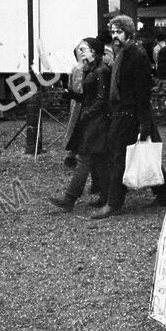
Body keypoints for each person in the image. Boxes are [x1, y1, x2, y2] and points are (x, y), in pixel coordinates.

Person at [92, 15, 163, 219]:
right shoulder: (123, 52)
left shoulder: (136, 55)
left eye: (119, 32)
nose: (115, 36)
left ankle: (114, 203)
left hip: (131, 113)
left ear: (129, 33)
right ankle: (164, 191)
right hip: (123, 111)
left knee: (119, 156)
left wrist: (144, 123)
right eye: (113, 32)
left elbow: (143, 91)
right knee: (140, 152)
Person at [49, 38, 111, 212]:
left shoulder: (101, 70)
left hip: (97, 122)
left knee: (85, 158)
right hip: (92, 120)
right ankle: (105, 197)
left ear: (95, 51)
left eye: (85, 49)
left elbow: (102, 99)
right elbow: (90, 98)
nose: (82, 52)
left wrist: (87, 114)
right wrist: (73, 96)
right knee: (98, 160)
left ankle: (70, 198)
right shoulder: (91, 69)